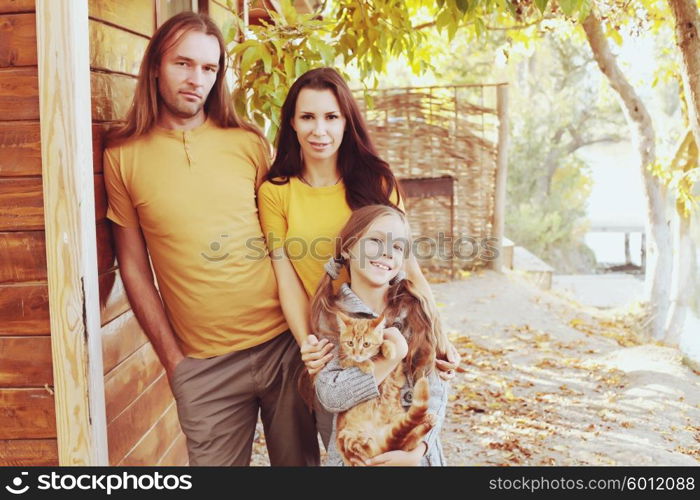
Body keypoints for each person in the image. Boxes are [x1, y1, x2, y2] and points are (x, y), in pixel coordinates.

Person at [103, 12, 318, 466]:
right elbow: (134, 268)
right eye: (183, 64)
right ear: (156, 66)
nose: (195, 79)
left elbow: (288, 240)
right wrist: (174, 362)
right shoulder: (122, 156)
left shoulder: (248, 143)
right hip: (204, 367)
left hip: (284, 346)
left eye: (209, 68)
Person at [257, 68, 460, 446]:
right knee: (346, 445)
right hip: (335, 340)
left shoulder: (377, 181)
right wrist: (310, 345)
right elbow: (285, 276)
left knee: (405, 440)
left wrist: (439, 333)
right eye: (308, 117)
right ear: (292, 123)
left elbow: (409, 268)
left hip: (392, 326)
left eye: (332, 117)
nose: (320, 130)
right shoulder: (275, 192)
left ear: (347, 122)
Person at [312, 204, 449, 466]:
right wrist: (389, 358)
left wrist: (418, 451)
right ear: (347, 248)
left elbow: (436, 390)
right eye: (375, 241)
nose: (387, 252)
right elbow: (331, 395)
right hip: (357, 458)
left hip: (415, 458)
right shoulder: (332, 315)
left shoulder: (416, 309)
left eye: (397, 247)